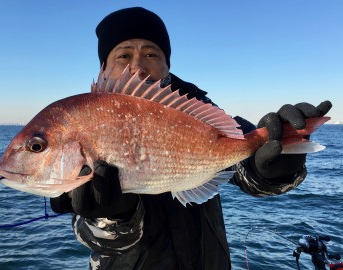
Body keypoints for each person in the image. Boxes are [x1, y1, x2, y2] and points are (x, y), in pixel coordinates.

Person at [50, 7, 332, 270]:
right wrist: (112, 217)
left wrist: (278, 166)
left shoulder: (203, 112)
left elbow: (249, 175)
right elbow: (97, 242)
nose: (137, 67)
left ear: (167, 66)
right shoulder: (82, 125)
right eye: (123, 56)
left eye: (151, 54)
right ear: (104, 68)